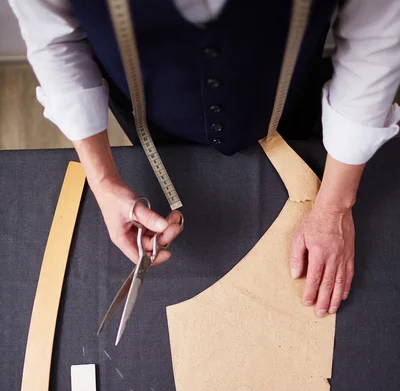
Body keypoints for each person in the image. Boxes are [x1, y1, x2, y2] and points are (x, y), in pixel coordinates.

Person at [9, 0, 400, 317]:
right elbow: (56, 42)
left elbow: (376, 44)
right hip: (153, 110)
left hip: (288, 100)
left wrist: (334, 206)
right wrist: (104, 181)